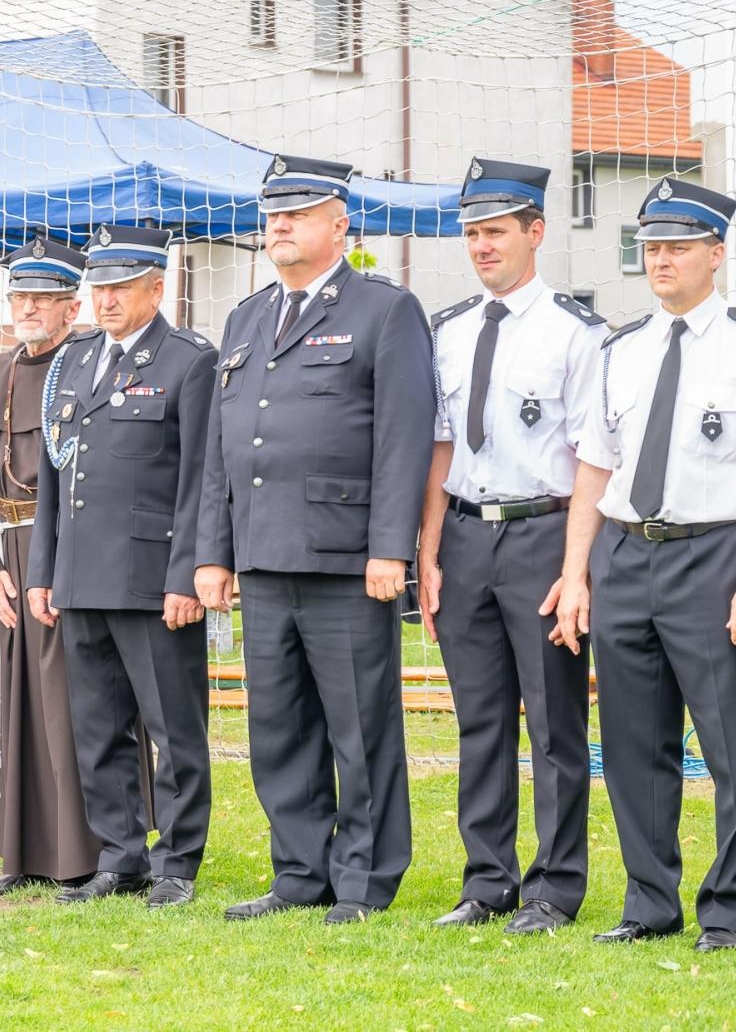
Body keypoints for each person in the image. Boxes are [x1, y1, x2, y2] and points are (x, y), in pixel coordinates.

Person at [557, 178, 736, 952]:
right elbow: (594, 465)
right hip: (629, 553)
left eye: (678, 248)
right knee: (632, 743)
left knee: (730, 745)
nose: (661, 260)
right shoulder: (621, 348)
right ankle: (649, 902)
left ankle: (728, 910)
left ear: (715, 255)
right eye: (652, 247)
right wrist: (577, 573)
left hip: (714, 555)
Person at [194, 155, 434, 925]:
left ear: (340, 222)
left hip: (345, 558)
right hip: (264, 555)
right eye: (273, 213)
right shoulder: (246, 317)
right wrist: (213, 551)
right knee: (280, 726)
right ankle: (299, 873)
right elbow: (220, 450)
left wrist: (389, 548)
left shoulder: (383, 311)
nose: (280, 225)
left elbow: (403, 438)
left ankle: (363, 880)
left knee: (360, 727)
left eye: (297, 212)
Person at [417, 158, 602, 934]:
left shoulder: (578, 333)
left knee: (555, 723)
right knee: (479, 719)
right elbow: (439, 445)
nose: (481, 246)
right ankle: (486, 882)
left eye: (495, 232)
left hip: (542, 534)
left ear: (536, 232)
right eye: (471, 234)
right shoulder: (451, 331)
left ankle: (554, 889)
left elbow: (595, 458)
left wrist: (575, 569)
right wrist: (428, 550)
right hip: (464, 537)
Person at [28, 224, 217, 909]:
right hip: (81, 578)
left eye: (119, 287)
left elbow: (202, 478)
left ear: (156, 288)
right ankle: (120, 855)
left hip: (149, 580)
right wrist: (44, 570)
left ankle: (177, 863)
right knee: (98, 727)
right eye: (98, 288)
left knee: (173, 730)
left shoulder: (188, 361)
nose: (104, 301)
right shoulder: (76, 363)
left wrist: (186, 576)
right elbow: (54, 475)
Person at [0, 236, 99, 894]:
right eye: (20, 297)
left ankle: (83, 856)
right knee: (14, 706)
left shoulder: (94, 367)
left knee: (73, 705)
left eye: (43, 298)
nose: (28, 308)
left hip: (71, 553)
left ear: (72, 307)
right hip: (9, 557)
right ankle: (22, 852)